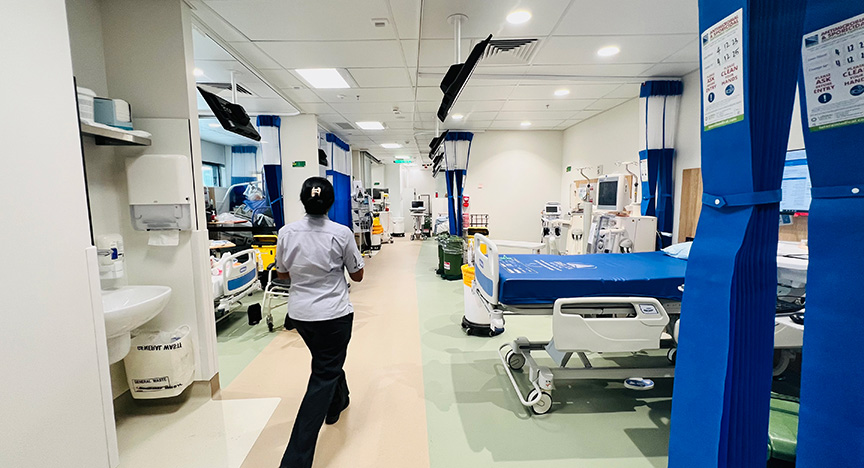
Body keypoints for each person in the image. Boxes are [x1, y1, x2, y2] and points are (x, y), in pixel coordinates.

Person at [275, 177, 365, 468]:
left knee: (326, 362)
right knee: (323, 374)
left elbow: (283, 274)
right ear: (331, 203)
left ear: (303, 201)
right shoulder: (341, 233)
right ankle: (295, 460)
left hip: (302, 316)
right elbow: (357, 275)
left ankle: (339, 402)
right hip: (333, 315)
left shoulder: (286, 233)